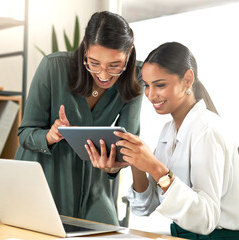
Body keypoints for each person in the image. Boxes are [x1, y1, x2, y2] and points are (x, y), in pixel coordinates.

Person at [85, 42, 239, 239]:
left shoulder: (207, 130)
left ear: (187, 80)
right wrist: (136, 163)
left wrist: (155, 167)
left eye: (160, 85)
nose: (150, 94)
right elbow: (144, 207)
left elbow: (206, 219)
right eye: (147, 85)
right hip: (183, 235)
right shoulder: (169, 131)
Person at [14, 11, 143, 225]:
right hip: (44, 176)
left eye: (114, 65)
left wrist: (115, 166)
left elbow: (128, 143)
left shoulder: (136, 77)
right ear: (85, 49)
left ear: (129, 53)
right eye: (94, 63)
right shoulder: (53, 66)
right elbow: (25, 133)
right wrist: (50, 135)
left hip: (93, 183)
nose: (103, 75)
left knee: (109, 232)